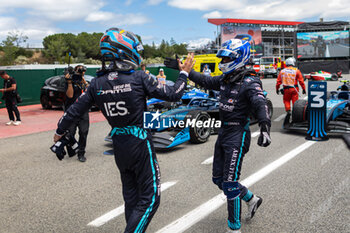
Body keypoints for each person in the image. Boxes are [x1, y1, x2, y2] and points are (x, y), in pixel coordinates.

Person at [53, 28, 193, 232]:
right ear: (125, 50)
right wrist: (184, 73)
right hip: (139, 142)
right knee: (151, 199)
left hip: (119, 145)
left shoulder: (97, 82)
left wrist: (59, 132)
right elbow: (173, 94)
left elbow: (73, 111)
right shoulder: (138, 77)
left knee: (132, 198)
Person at [186, 39, 271, 233]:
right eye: (222, 57)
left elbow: (260, 103)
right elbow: (205, 80)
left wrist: (265, 126)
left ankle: (234, 228)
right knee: (219, 180)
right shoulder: (225, 78)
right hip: (223, 132)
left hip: (238, 134)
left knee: (230, 184)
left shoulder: (250, 81)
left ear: (239, 58)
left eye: (227, 57)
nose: (223, 61)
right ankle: (252, 199)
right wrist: (185, 71)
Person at [64, 65, 90, 162]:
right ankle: (71, 148)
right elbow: (70, 95)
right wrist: (69, 82)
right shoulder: (69, 81)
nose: (81, 72)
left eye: (82, 70)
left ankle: (81, 152)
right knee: (70, 133)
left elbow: (89, 91)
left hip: (83, 110)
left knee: (84, 132)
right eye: (79, 70)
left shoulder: (83, 81)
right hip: (71, 111)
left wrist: (83, 80)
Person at [276, 57, 306, 124]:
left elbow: (278, 82)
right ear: (292, 63)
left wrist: (277, 89)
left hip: (286, 89)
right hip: (294, 89)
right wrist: (304, 89)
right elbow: (301, 81)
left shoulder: (282, 71)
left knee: (286, 101)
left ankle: (288, 111)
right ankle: (295, 114)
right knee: (295, 103)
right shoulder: (296, 70)